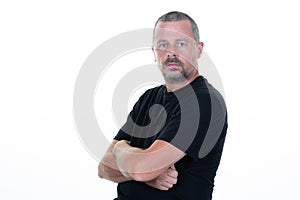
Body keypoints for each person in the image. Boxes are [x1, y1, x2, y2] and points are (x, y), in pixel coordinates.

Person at [98, 11, 228, 200]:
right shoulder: (149, 97)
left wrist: (120, 150)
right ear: (154, 52)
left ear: (199, 49)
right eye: (163, 45)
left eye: (181, 43)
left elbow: (141, 170)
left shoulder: (205, 102)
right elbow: (103, 168)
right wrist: (147, 175)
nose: (171, 53)